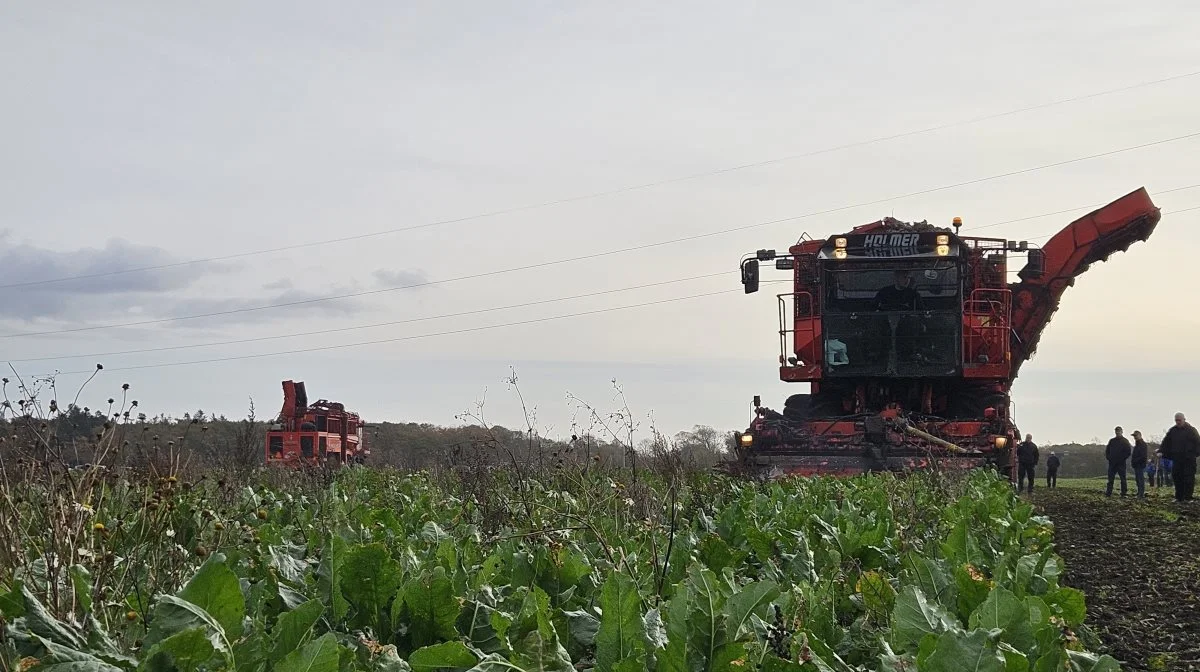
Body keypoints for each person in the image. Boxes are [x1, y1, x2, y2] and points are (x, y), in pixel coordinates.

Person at [1159, 412, 1200, 502]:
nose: (1178, 422)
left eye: (1179, 420)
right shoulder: (1172, 431)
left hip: (1189, 459)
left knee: (1188, 478)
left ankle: (1187, 497)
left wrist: (1195, 454)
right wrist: (1161, 451)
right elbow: (1166, 442)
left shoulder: (1192, 430)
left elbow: (1198, 443)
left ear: (1184, 419)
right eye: (1176, 420)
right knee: (1177, 477)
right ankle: (1179, 497)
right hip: (1177, 458)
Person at [1105, 426, 1132, 498]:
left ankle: (1123, 493)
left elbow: (1128, 452)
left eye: (1119, 431)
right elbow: (1107, 451)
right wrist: (1109, 458)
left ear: (1122, 432)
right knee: (1110, 479)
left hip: (1121, 463)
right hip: (1112, 463)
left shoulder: (1125, 441)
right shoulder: (1112, 441)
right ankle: (1108, 493)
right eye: (1116, 431)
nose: (1117, 432)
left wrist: (1122, 459)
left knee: (1123, 479)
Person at [1131, 430, 1149, 498]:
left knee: (1140, 479)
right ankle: (1139, 492)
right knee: (1137, 479)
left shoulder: (1143, 444)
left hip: (1140, 465)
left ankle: (1141, 494)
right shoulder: (1137, 444)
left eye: (1136, 435)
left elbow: (1143, 456)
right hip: (1136, 465)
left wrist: (1135, 461)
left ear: (1140, 435)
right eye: (1134, 436)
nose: (1135, 437)